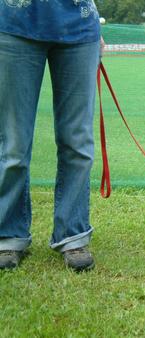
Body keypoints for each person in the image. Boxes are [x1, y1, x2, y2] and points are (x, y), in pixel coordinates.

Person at [0, 0, 102, 271]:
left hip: (80, 28)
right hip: (14, 24)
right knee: (14, 144)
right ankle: (9, 235)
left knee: (77, 142)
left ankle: (72, 236)